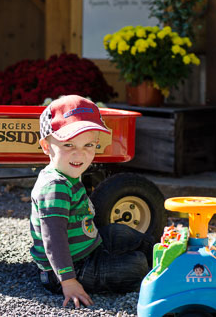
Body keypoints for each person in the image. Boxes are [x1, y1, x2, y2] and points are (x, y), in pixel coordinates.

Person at [30, 95, 154, 308]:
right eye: (68, 144)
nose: (80, 153)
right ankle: (154, 267)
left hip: (89, 248)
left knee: (119, 232)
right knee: (136, 265)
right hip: (70, 268)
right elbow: (54, 238)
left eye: (88, 145)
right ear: (46, 146)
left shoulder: (69, 172)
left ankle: (163, 253)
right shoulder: (54, 186)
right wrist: (68, 281)